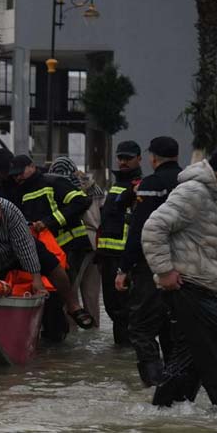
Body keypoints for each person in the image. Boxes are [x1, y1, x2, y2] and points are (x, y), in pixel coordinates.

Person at [143, 146, 217, 407]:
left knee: (188, 359)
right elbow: (153, 227)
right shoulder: (194, 192)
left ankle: (166, 410)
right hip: (190, 287)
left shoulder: (203, 195)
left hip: (193, 288)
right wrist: (164, 271)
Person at [0, 192, 93, 331]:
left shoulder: (8, 210)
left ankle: (73, 305)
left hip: (13, 253)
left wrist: (36, 279)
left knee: (51, 262)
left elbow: (25, 245)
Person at [115, 136, 182, 387]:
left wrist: (124, 268)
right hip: (183, 265)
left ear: (152, 158)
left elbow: (139, 229)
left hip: (150, 265)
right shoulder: (186, 182)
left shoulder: (151, 183)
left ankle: (155, 387)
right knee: (170, 326)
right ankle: (177, 381)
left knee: (141, 328)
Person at [7, 155, 94, 337]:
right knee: (52, 296)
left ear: (31, 166)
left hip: (70, 245)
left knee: (62, 294)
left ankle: (66, 336)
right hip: (46, 251)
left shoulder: (53, 182)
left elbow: (82, 202)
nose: (18, 178)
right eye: (14, 175)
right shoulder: (20, 191)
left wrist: (49, 222)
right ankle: (58, 336)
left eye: (20, 173)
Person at [48, 156, 104, 327]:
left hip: (76, 242)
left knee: (70, 292)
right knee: (92, 293)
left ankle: (71, 331)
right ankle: (94, 328)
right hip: (96, 242)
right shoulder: (95, 188)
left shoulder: (64, 189)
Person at [97, 140, 143, 345]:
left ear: (139, 159)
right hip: (107, 255)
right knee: (113, 308)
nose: (123, 162)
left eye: (128, 158)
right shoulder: (117, 184)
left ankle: (129, 352)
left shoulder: (139, 186)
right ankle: (121, 354)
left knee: (125, 309)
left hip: (124, 257)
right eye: (120, 157)